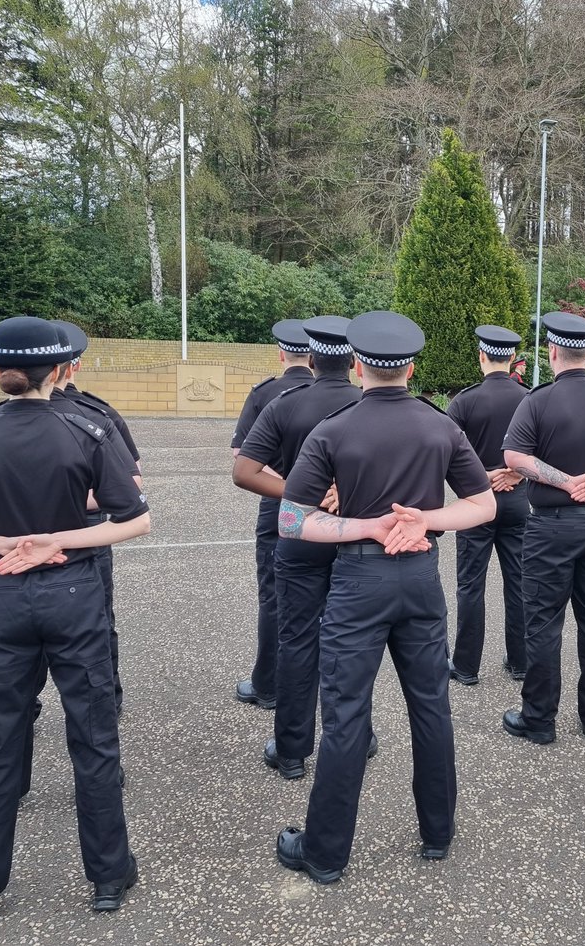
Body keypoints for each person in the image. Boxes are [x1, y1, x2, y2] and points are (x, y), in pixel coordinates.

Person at [0, 317, 151, 928]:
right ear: (59, 370)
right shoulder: (88, 429)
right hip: (73, 592)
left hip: (0, 597)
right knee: (94, 738)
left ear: (2, 372)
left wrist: (1, 543)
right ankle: (108, 875)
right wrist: (54, 541)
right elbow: (135, 519)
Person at [274, 310, 495, 883]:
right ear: (411, 368)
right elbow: (483, 505)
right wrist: (425, 520)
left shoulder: (335, 428)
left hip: (360, 581)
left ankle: (324, 854)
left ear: (358, 364)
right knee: (431, 705)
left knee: (346, 714)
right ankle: (437, 833)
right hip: (421, 577)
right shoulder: (439, 425)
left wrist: (367, 526)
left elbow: (293, 521)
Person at [233, 317, 367, 780]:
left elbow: (244, 470)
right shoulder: (370, 404)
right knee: (352, 644)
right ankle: (358, 736)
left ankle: (291, 750)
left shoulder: (286, 402)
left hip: (298, 536)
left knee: (297, 639)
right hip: (356, 539)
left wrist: (298, 492)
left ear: (310, 358)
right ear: (354, 360)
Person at [501, 311, 585, 745]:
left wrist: (563, 481)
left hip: (552, 527)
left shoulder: (537, 401)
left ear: (553, 351)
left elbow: (515, 459)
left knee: (543, 622)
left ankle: (539, 719)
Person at [56, 321, 141, 714]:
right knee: (96, 620)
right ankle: (104, 705)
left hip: (25, 534)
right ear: (75, 366)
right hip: (87, 530)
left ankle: (103, 701)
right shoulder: (97, 414)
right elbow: (133, 484)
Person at [232, 320, 315, 711]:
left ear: (282, 354)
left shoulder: (266, 393)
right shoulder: (348, 395)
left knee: (274, 596)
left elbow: (242, 458)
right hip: (339, 507)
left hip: (280, 503)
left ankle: (267, 686)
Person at [445, 325, 530, 684]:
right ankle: (520, 661)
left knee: (470, 585)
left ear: (481, 356)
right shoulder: (530, 397)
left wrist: (478, 481)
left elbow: (446, 455)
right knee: (520, 582)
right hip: (518, 501)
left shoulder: (464, 401)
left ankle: (465, 666)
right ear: (511, 358)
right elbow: (542, 450)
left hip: (475, 504)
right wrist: (517, 475)